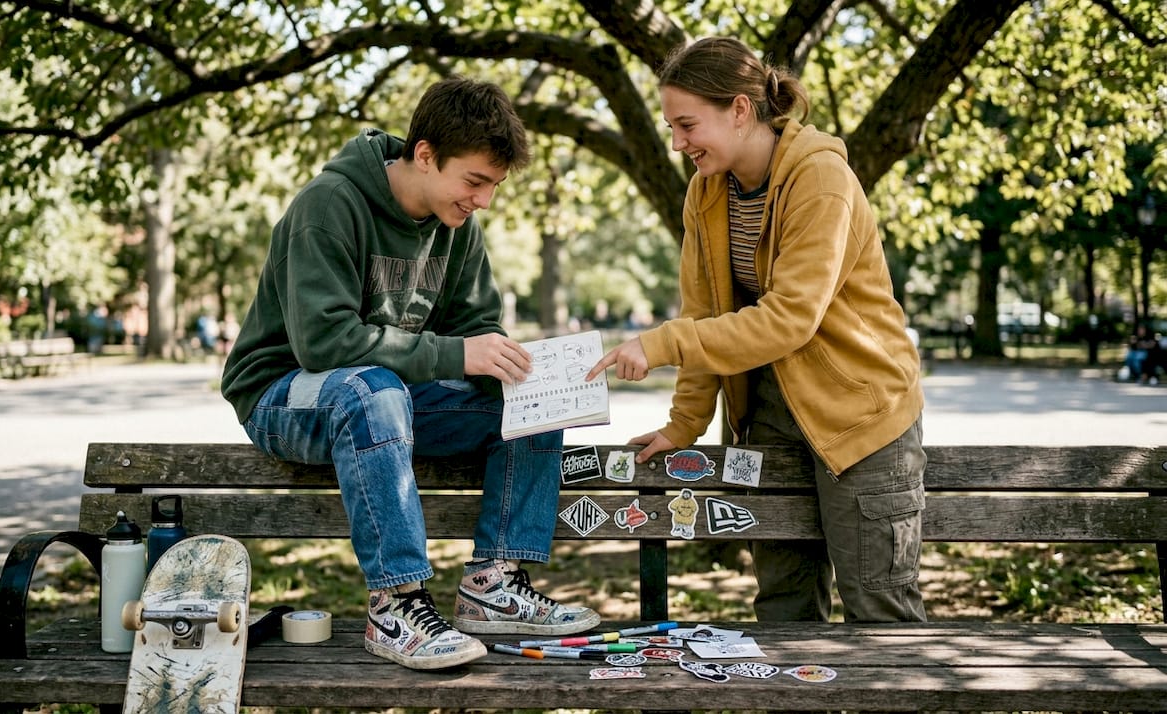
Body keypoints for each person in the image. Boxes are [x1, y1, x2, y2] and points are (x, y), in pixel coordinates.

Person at [221, 77, 598, 670]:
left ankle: (493, 585)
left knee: (529, 401)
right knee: (374, 390)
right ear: (425, 154)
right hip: (286, 395)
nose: (483, 200)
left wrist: (521, 371)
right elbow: (323, 342)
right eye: (474, 181)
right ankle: (395, 605)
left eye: (494, 186)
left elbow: (474, 326)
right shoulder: (329, 205)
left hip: (388, 400)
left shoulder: (457, 227)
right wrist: (457, 356)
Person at [587, 37, 927, 624]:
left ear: (740, 110)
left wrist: (659, 344)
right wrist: (685, 423)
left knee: (880, 612)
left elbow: (790, 319)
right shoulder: (706, 192)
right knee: (784, 610)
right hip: (770, 418)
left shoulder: (821, 179)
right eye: (671, 128)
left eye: (687, 125)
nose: (677, 143)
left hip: (860, 416)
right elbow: (704, 315)